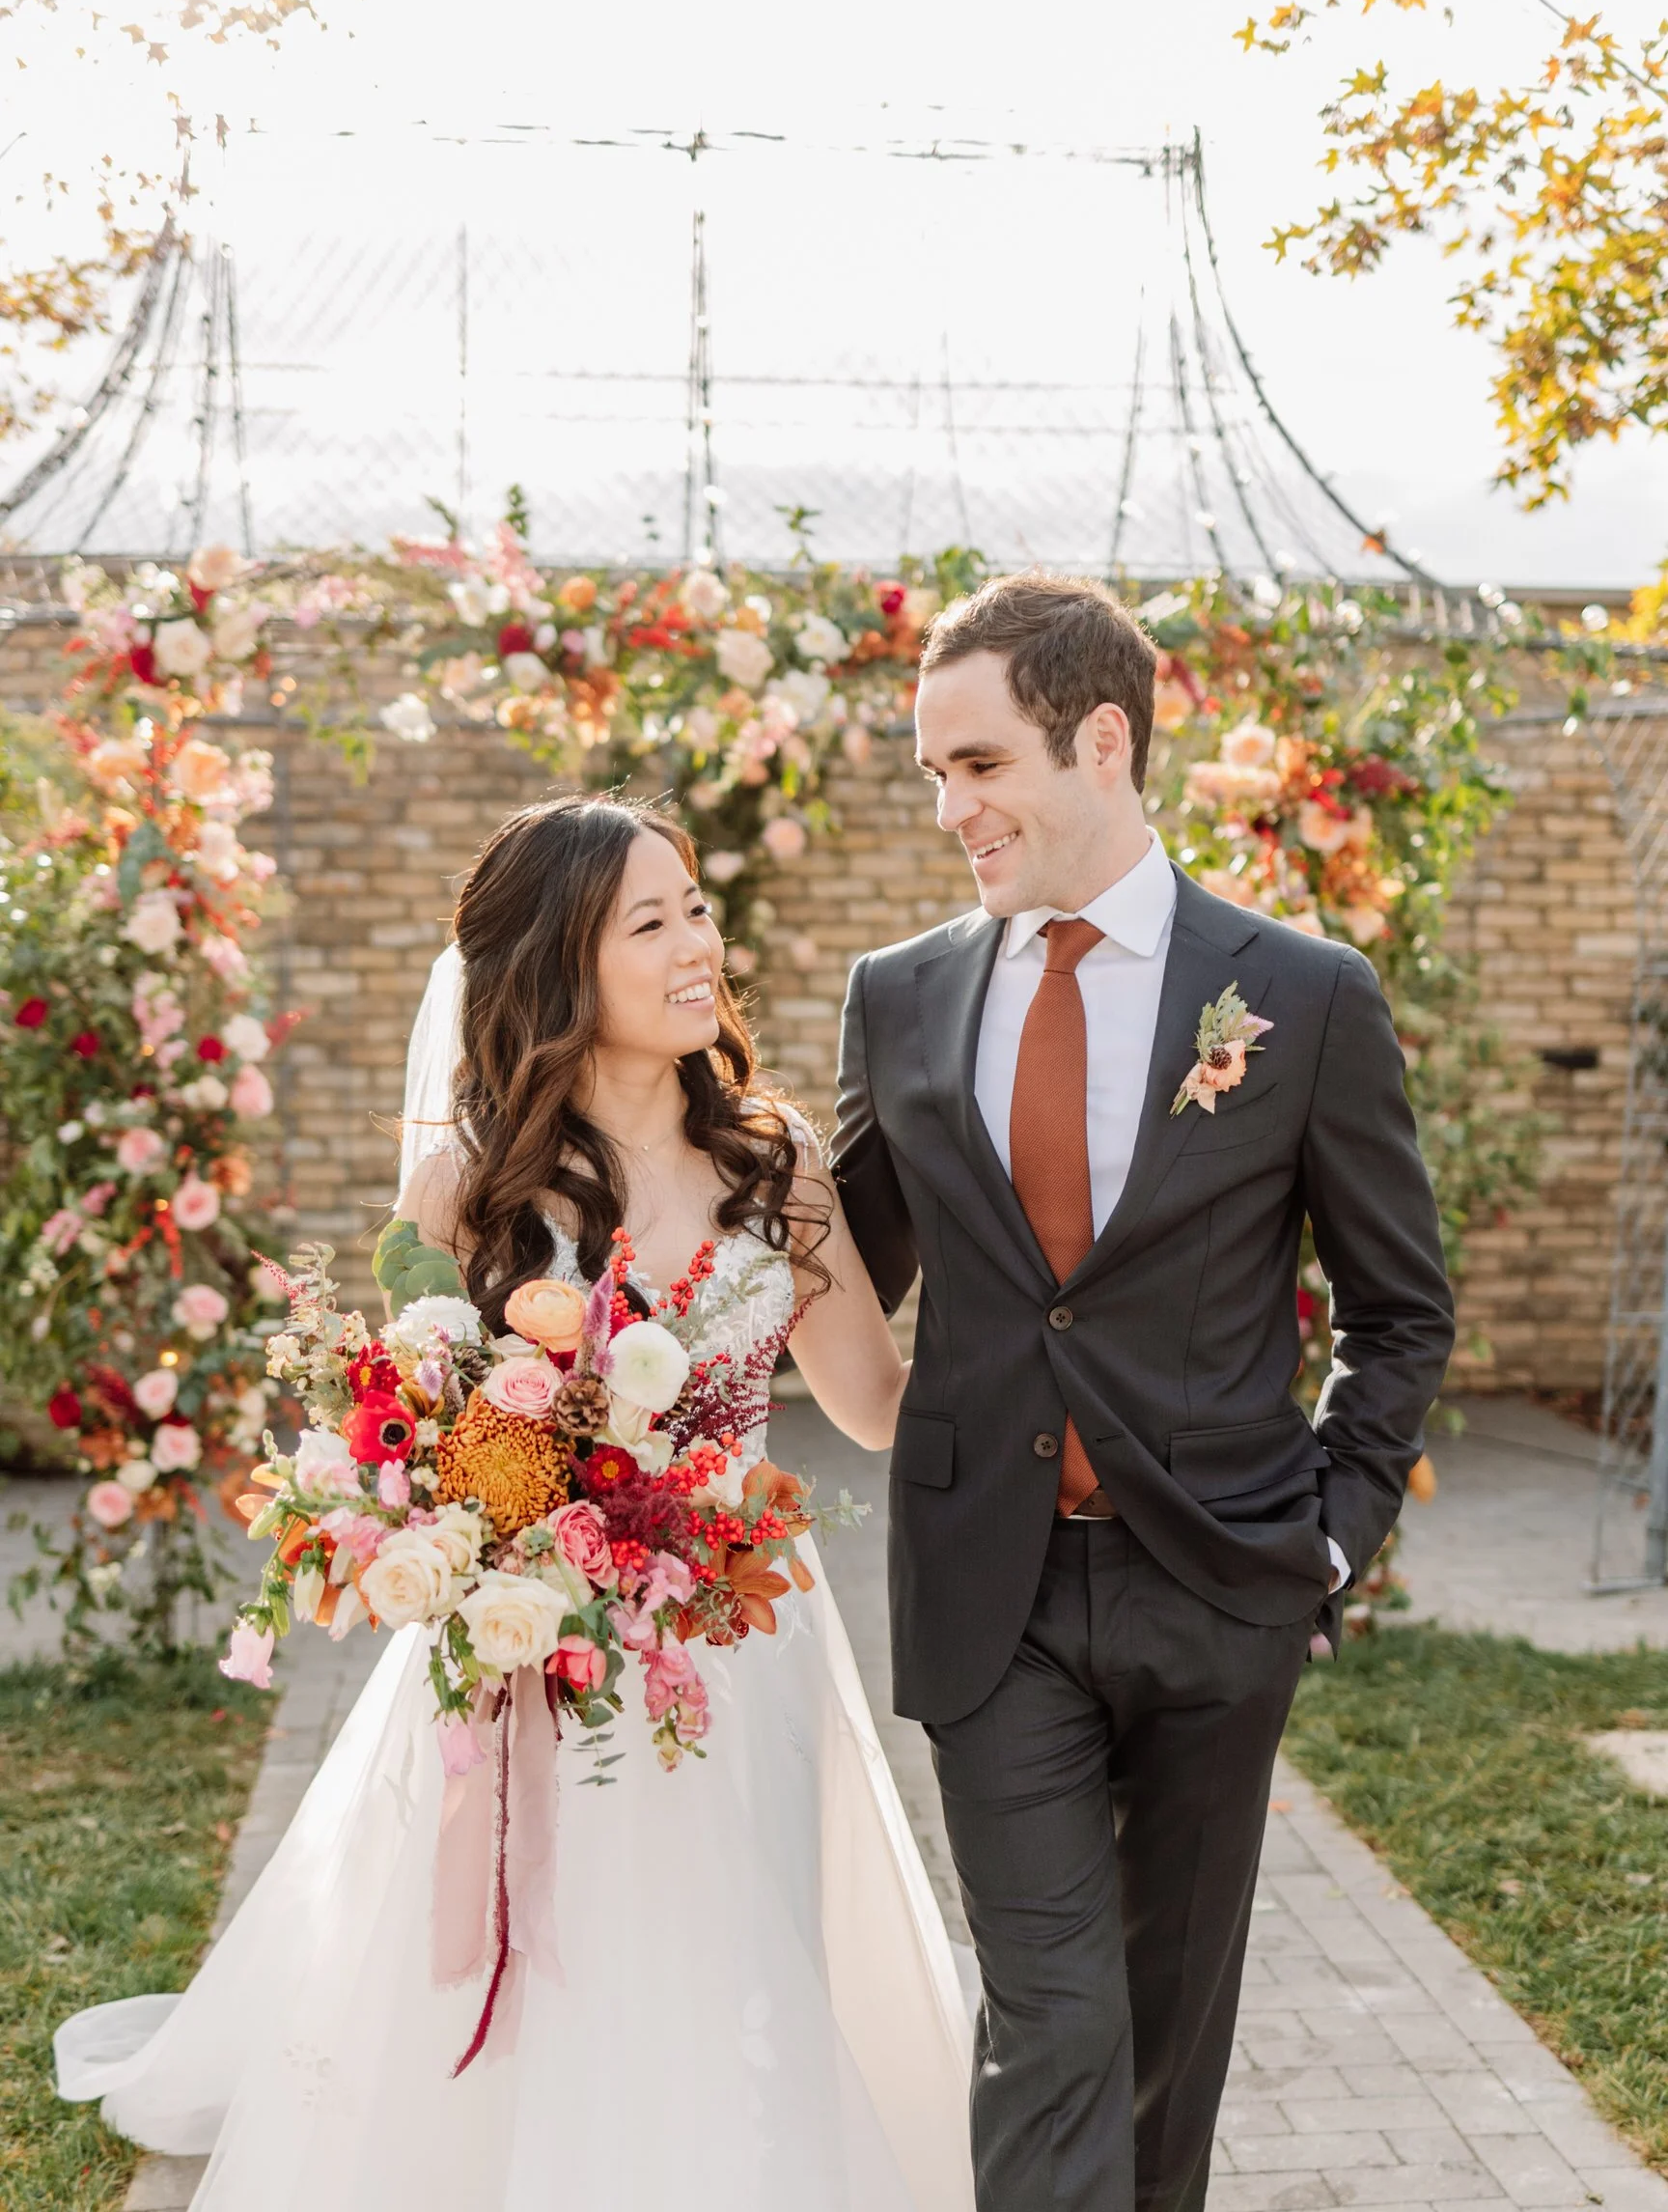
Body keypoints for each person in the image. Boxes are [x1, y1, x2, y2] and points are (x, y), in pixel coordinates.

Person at [56, 794, 972, 2212]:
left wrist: (1068, 1376)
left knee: (735, 1953)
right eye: (651, 922)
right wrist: (471, 1541)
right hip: (535, 1657)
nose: (697, 949)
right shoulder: (473, 1191)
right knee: (552, 1970)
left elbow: (875, 1404)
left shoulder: (775, 1166)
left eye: (698, 911)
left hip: (745, 1647)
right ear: (561, 964)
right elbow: (421, 1433)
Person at [831, 572, 1454, 2212]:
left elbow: (1399, 1311)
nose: (951, 808)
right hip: (993, 1598)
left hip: (1221, 1585)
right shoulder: (899, 995)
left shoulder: (1304, 999)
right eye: (934, 775)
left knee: (1170, 2038)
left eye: (978, 765)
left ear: (1100, 739)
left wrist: (1329, 1539)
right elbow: (823, 1257)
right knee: (1054, 2026)